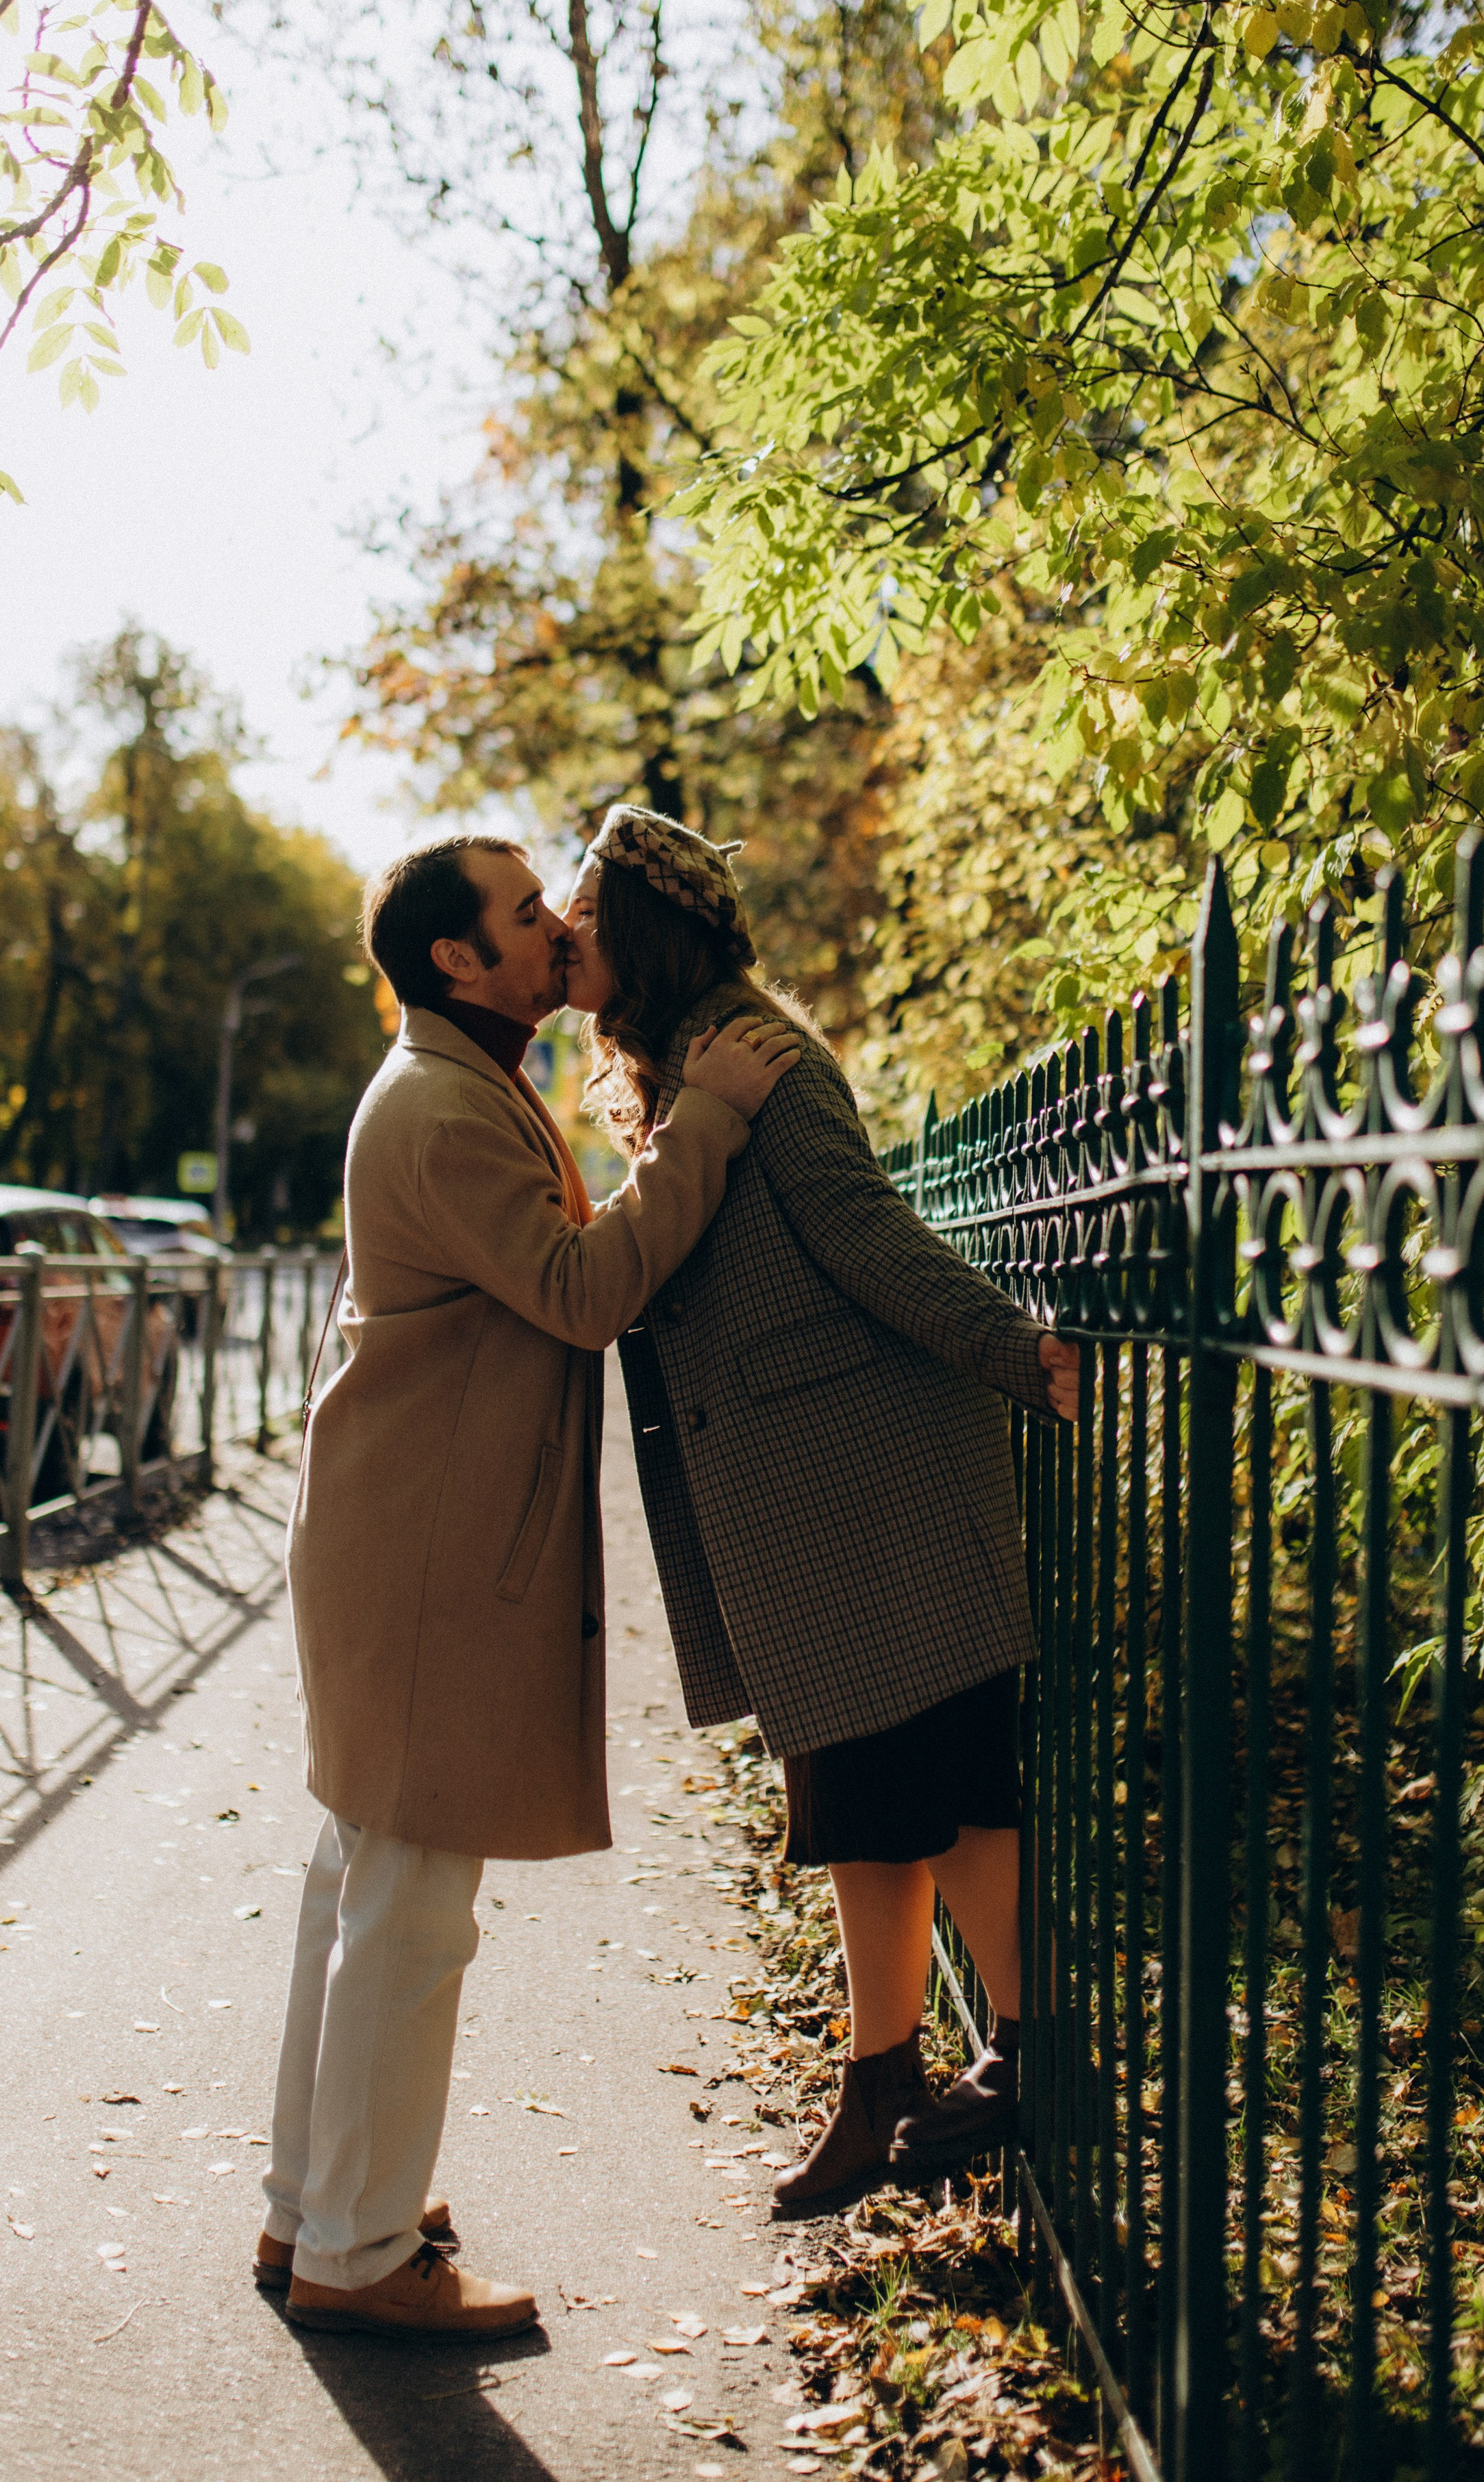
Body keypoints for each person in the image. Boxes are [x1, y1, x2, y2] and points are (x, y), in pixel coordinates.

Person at [257, 833, 799, 2338]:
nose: (557, 922)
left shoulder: (459, 1081)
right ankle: (360, 2255)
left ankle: (317, 2206)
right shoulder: (442, 1105)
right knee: (410, 1904)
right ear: (456, 959)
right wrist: (706, 1120)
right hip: (423, 1548)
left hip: (404, 1532)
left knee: (364, 1880)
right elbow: (582, 1292)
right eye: (523, 909)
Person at [562, 807, 1081, 2218]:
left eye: (586, 915)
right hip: (810, 1497)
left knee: (938, 1787)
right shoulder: (684, 1060)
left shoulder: (754, 1052)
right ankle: (885, 2078)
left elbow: (863, 1230)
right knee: (862, 1800)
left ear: (646, 930)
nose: (564, 935)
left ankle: (1025, 2055)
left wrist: (1009, 1348)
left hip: (871, 1480)